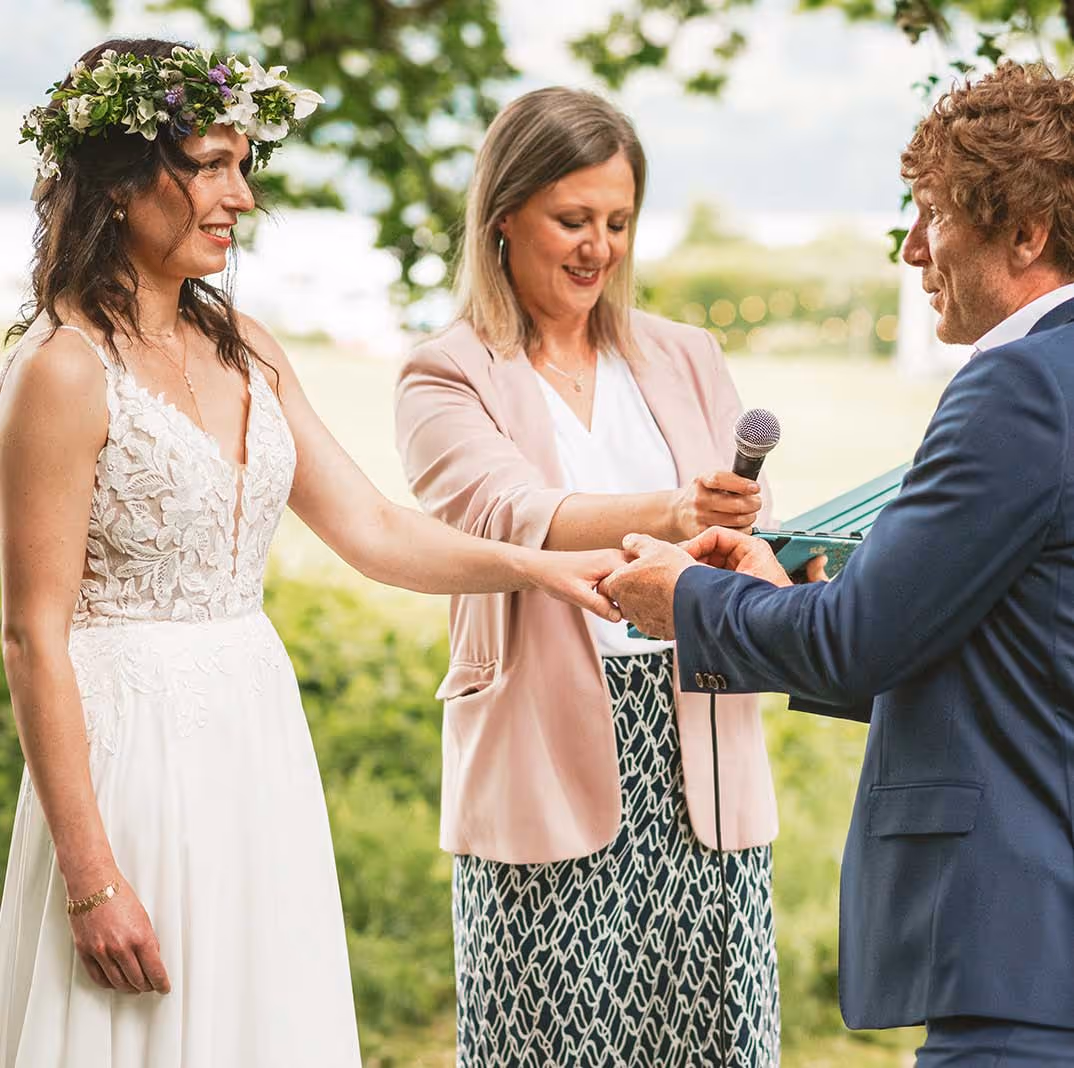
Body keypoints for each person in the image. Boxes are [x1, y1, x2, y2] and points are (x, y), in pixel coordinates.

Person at [0, 40, 623, 1068]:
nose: (241, 198)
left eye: (245, 167)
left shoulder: (247, 346)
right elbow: (32, 634)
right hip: (130, 756)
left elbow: (372, 528)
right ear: (118, 180)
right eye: (212, 165)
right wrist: (91, 876)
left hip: (255, 732)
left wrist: (541, 570)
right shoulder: (62, 371)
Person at [603, 61, 1074, 1066]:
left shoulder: (1019, 390)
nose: (912, 250)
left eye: (934, 214)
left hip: (1025, 943)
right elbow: (1019, 641)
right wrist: (782, 598)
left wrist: (690, 598)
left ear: (1028, 232)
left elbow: (860, 643)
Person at [394, 87, 781, 1067]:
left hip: (701, 747)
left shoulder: (688, 355)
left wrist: (767, 539)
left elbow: (745, 528)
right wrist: (675, 511)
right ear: (503, 217)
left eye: (617, 222)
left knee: (713, 1040)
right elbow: (512, 512)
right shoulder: (446, 374)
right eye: (572, 219)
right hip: (543, 748)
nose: (597, 247)